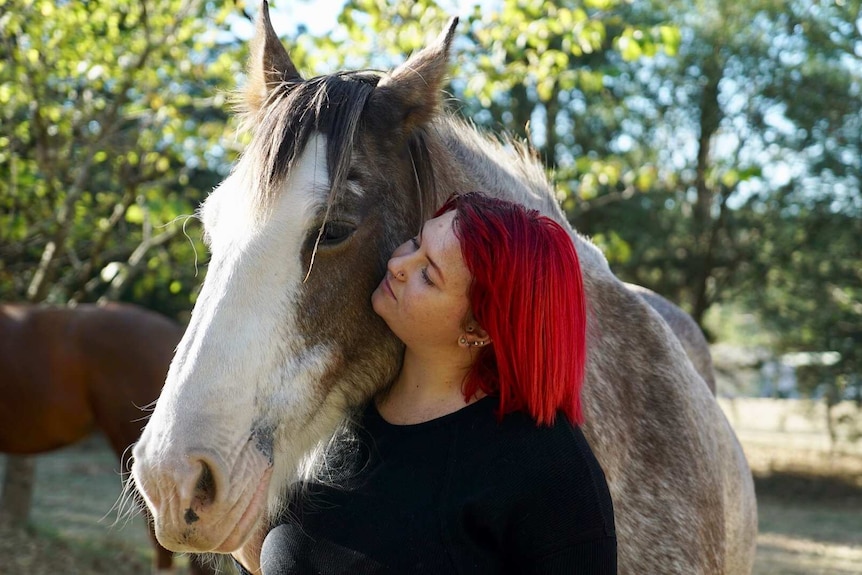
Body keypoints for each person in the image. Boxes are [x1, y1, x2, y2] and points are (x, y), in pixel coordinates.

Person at [235, 192, 617, 574]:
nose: (399, 263)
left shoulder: (552, 472)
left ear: (478, 328)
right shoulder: (330, 410)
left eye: (428, 274)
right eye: (416, 242)